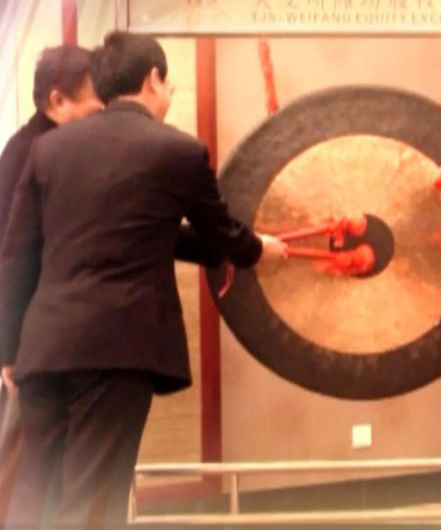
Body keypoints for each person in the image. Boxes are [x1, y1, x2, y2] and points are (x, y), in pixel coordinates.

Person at [0, 31, 286, 527]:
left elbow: (17, 254)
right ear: (153, 79)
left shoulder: (48, 149)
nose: (170, 94)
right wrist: (258, 250)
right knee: (94, 501)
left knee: (35, 495)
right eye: (168, 83)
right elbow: (220, 233)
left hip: (43, 345)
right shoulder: (178, 151)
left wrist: (8, 349)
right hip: (117, 347)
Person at [0, 44, 103, 524]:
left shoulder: (38, 146)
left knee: (35, 467)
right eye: (96, 108)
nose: (103, 118)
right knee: (24, 466)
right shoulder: (32, 153)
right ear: (57, 101)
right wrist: (9, 350)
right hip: (31, 340)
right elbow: (13, 256)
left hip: (41, 335)